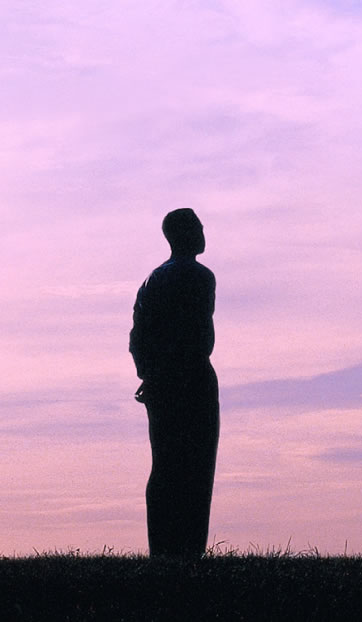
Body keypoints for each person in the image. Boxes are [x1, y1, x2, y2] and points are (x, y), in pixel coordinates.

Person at [129, 208, 219, 556]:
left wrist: (149, 373)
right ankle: (190, 549)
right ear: (185, 234)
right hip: (192, 377)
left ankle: (163, 550)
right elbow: (197, 334)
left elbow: (137, 336)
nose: (203, 232)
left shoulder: (152, 280)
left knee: (165, 464)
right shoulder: (200, 276)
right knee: (196, 465)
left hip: (161, 380)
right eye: (198, 227)